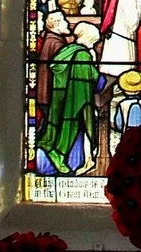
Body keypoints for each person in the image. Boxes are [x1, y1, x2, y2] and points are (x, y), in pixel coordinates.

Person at [37, 20, 100, 175]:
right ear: (88, 39)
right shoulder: (83, 54)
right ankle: (60, 153)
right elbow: (90, 78)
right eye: (93, 42)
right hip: (75, 99)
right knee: (71, 126)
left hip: (60, 97)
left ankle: (50, 147)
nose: (93, 45)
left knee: (57, 124)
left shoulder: (67, 50)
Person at [36, 11, 71, 133]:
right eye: (64, 21)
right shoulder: (56, 43)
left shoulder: (51, 40)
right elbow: (62, 70)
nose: (67, 24)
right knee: (52, 128)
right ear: (56, 24)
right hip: (52, 92)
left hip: (46, 92)